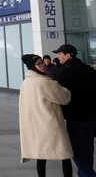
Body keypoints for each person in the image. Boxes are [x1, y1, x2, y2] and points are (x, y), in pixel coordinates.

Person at [19, 54, 73, 177]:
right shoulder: (45, 82)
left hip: (35, 125)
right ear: (33, 66)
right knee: (64, 155)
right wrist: (66, 90)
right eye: (38, 64)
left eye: (42, 62)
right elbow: (64, 98)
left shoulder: (25, 83)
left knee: (41, 156)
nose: (42, 66)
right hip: (50, 124)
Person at [54, 44, 96, 177]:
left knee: (76, 151)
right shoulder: (89, 70)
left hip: (75, 117)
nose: (58, 56)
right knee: (88, 149)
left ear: (68, 55)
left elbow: (60, 96)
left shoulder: (63, 72)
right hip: (91, 116)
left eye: (60, 54)